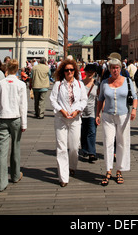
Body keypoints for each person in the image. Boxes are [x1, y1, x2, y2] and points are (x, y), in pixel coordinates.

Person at [96, 58, 138, 186]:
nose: (115, 70)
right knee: (108, 142)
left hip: (123, 116)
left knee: (122, 143)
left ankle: (119, 170)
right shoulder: (104, 83)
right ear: (109, 69)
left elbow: (135, 97)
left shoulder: (128, 81)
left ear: (120, 69)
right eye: (113, 68)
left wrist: (134, 110)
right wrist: (97, 114)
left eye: (117, 68)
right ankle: (108, 170)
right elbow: (100, 99)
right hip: (108, 116)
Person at [50, 58, 88, 187]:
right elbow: (53, 100)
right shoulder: (58, 84)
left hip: (75, 119)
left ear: (75, 71)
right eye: (67, 70)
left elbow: (84, 100)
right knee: (61, 148)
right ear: (63, 72)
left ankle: (72, 166)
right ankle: (63, 177)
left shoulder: (79, 84)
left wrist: (77, 111)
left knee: (73, 147)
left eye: (71, 70)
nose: (69, 72)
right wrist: (61, 110)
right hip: (61, 119)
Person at [0, 59, 28, 192]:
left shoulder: (0, 84)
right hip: (16, 118)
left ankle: (1, 183)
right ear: (18, 69)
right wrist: (24, 123)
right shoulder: (20, 84)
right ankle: (15, 175)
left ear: (6, 68)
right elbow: (23, 105)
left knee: (2, 151)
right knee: (16, 147)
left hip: (2, 117)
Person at [80, 63, 99, 163]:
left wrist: (99, 113)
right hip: (81, 112)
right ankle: (84, 149)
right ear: (85, 72)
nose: (90, 73)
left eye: (92, 72)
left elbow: (99, 99)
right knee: (83, 132)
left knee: (92, 131)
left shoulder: (97, 84)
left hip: (92, 111)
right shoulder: (80, 84)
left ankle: (92, 153)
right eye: (88, 72)